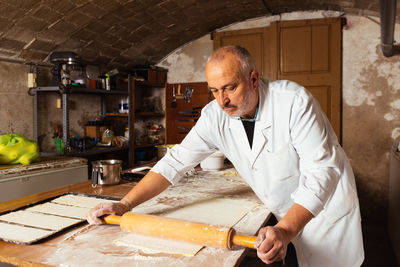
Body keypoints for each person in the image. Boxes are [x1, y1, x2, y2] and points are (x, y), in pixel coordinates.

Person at [87, 45, 364, 266]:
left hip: (324, 215)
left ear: (253, 79)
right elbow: (174, 162)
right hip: (283, 216)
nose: (223, 100)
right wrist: (124, 205)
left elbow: (322, 172)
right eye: (215, 91)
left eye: (230, 87)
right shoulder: (213, 116)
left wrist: (286, 230)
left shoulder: (294, 102)